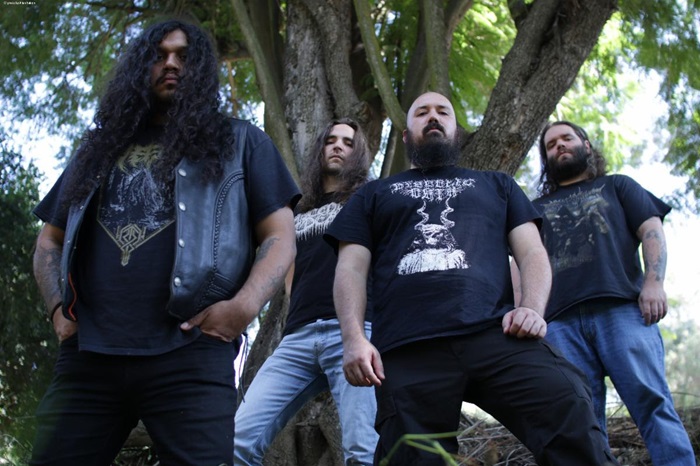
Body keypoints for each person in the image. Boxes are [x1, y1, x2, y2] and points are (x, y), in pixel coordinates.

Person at [30, 19, 300, 466]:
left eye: (183, 56)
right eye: (159, 55)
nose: (171, 64)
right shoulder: (97, 150)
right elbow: (49, 242)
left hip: (192, 350)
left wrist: (244, 307)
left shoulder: (241, 141)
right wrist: (58, 310)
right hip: (90, 355)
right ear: (140, 67)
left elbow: (280, 235)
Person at [325, 91, 618, 466]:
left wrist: (531, 308)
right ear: (406, 135)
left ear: (456, 131)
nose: (433, 117)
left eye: (443, 111)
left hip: (496, 333)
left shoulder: (498, 184)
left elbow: (532, 252)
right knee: (413, 454)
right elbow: (350, 267)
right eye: (422, 112)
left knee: (567, 405)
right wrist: (353, 338)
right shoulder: (373, 193)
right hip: (407, 347)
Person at [532, 121, 696, 465]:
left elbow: (651, 228)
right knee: (581, 422)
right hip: (559, 324)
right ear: (546, 159)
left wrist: (654, 283)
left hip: (622, 310)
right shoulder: (535, 208)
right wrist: (529, 313)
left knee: (651, 401)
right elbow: (524, 262)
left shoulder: (617, 185)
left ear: (586, 145)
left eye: (567, 138)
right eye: (551, 144)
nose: (559, 145)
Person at [234, 118, 378, 465]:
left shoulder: (370, 199)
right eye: (331, 140)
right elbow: (287, 268)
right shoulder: (296, 210)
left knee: (362, 451)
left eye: (348, 142)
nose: (338, 146)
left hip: (354, 334)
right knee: (237, 441)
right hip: (296, 338)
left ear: (359, 154)